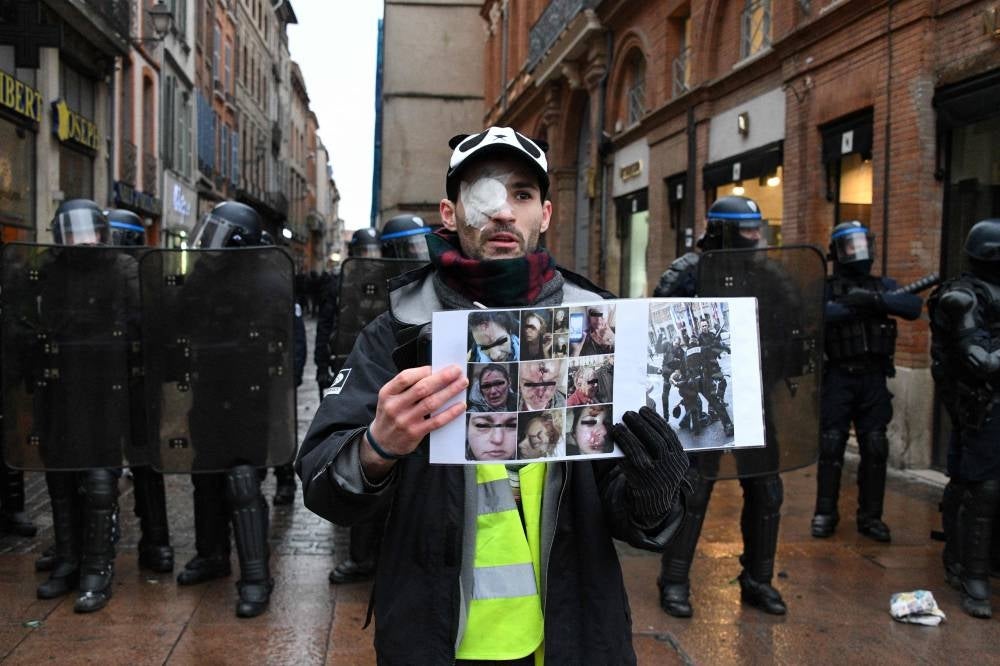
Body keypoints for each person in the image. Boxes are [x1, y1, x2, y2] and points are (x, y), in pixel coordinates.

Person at [296, 125, 689, 663]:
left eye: (522, 195)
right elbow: (322, 483)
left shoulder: (598, 323)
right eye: (485, 194)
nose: (504, 212)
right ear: (451, 213)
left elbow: (630, 509)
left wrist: (652, 488)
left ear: (545, 215)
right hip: (437, 638)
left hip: (571, 637)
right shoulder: (397, 331)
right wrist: (376, 447)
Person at [654, 194, 790, 617]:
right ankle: (674, 578)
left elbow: (795, 325)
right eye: (747, 231)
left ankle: (758, 580)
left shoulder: (769, 274)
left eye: (757, 230)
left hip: (754, 396)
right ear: (725, 231)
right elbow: (657, 316)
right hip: (700, 384)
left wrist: (772, 366)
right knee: (694, 490)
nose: (755, 238)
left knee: (766, 489)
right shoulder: (688, 272)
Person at [175, 200, 305, 618]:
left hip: (251, 392)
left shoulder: (268, 278)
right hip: (208, 389)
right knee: (205, 474)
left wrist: (282, 384)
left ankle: (255, 576)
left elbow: (292, 341)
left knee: (242, 478)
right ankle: (211, 555)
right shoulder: (201, 277)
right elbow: (178, 324)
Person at [33, 199, 125, 612]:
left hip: (103, 389)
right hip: (59, 387)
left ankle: (96, 568)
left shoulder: (120, 271)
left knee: (100, 480)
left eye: (89, 233)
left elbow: (137, 326)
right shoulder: (49, 272)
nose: (82, 242)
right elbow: (32, 323)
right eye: (73, 234)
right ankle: (67, 561)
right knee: (61, 478)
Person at [811, 221, 922, 542]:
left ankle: (871, 517)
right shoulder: (827, 287)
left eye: (861, 244)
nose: (857, 251)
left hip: (873, 379)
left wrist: (873, 301)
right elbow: (816, 314)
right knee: (831, 446)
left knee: (875, 447)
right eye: (849, 246)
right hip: (838, 378)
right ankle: (825, 512)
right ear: (836, 252)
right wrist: (853, 306)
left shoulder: (882, 286)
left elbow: (912, 307)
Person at [928, 219, 1000, 618]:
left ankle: (976, 560)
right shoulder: (961, 297)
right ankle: (973, 578)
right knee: (983, 487)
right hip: (981, 406)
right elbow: (982, 362)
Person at [105, 209, 175, 572]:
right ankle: (156, 542)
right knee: (147, 464)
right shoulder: (147, 273)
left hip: (120, 379)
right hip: (139, 382)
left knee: (114, 463)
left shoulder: (122, 274)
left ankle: (150, 541)